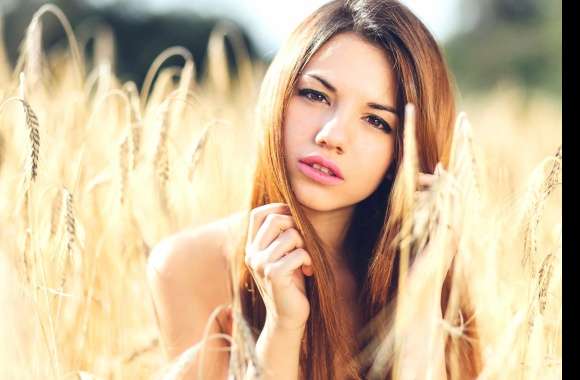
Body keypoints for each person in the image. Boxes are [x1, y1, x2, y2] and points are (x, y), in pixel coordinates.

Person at [147, 0, 481, 379]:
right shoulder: (190, 267)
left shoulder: (427, 270)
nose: (332, 136)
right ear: (279, 95)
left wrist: (420, 304)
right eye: (315, 95)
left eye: (375, 120)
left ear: (404, 151)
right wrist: (283, 327)